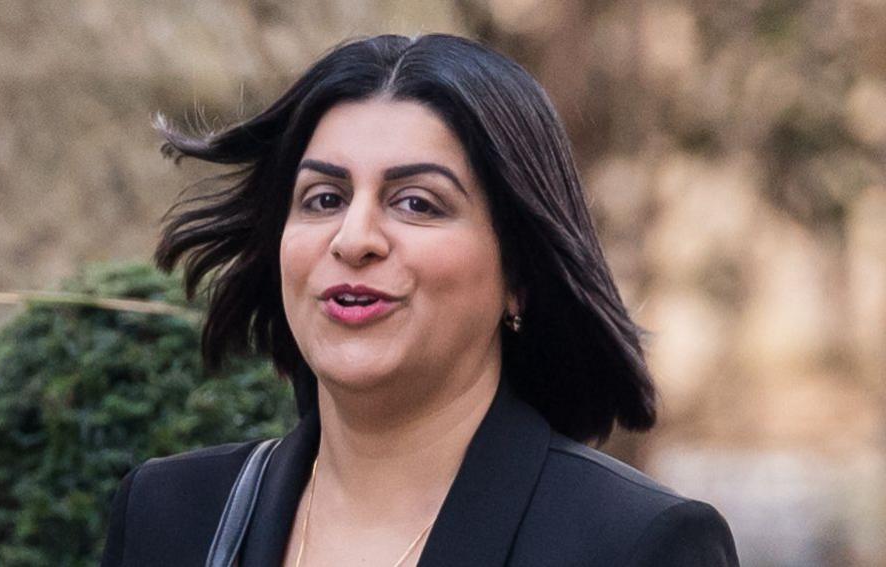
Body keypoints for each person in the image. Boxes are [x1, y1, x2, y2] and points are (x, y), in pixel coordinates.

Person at [100, 33, 739, 566]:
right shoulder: (172, 516)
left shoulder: (635, 544)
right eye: (324, 198)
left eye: (417, 203)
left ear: (518, 273)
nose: (355, 239)